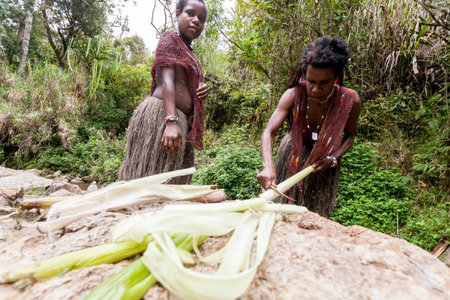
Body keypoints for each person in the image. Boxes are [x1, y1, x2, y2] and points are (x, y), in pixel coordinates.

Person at [257, 36, 362, 217]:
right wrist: (267, 166)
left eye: (324, 83)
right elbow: (269, 132)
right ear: (304, 75)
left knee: (316, 215)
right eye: (311, 81)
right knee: (284, 211)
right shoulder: (293, 95)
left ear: (336, 78)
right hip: (292, 153)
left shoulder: (350, 100)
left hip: (324, 163)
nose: (315, 89)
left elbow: (350, 136)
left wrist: (333, 158)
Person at [119, 0, 209, 184]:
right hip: (163, 115)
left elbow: (184, 83)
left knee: (172, 183)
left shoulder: (189, 54)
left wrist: (200, 90)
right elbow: (167, 81)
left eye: (201, 18)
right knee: (150, 179)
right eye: (190, 13)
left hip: (180, 119)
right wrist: (171, 121)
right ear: (177, 14)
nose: (196, 21)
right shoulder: (170, 39)